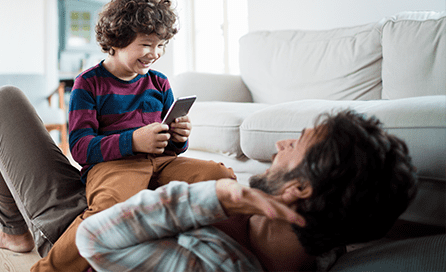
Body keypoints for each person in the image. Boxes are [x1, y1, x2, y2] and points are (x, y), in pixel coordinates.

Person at [0, 0, 235, 272]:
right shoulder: (88, 84)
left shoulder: (160, 83)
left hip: (161, 163)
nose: (156, 53)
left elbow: (168, 144)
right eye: (148, 44)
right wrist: (133, 141)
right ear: (118, 39)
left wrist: (178, 138)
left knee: (218, 176)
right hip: (113, 166)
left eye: (161, 45)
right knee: (109, 212)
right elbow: (80, 148)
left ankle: (228, 254)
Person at [75, 109, 419, 272]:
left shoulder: (214, 266)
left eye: (298, 143)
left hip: (80, 227)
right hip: (119, 191)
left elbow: (93, 238)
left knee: (16, 100)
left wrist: (216, 198)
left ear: (299, 187)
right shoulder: (320, 241)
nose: (283, 143)